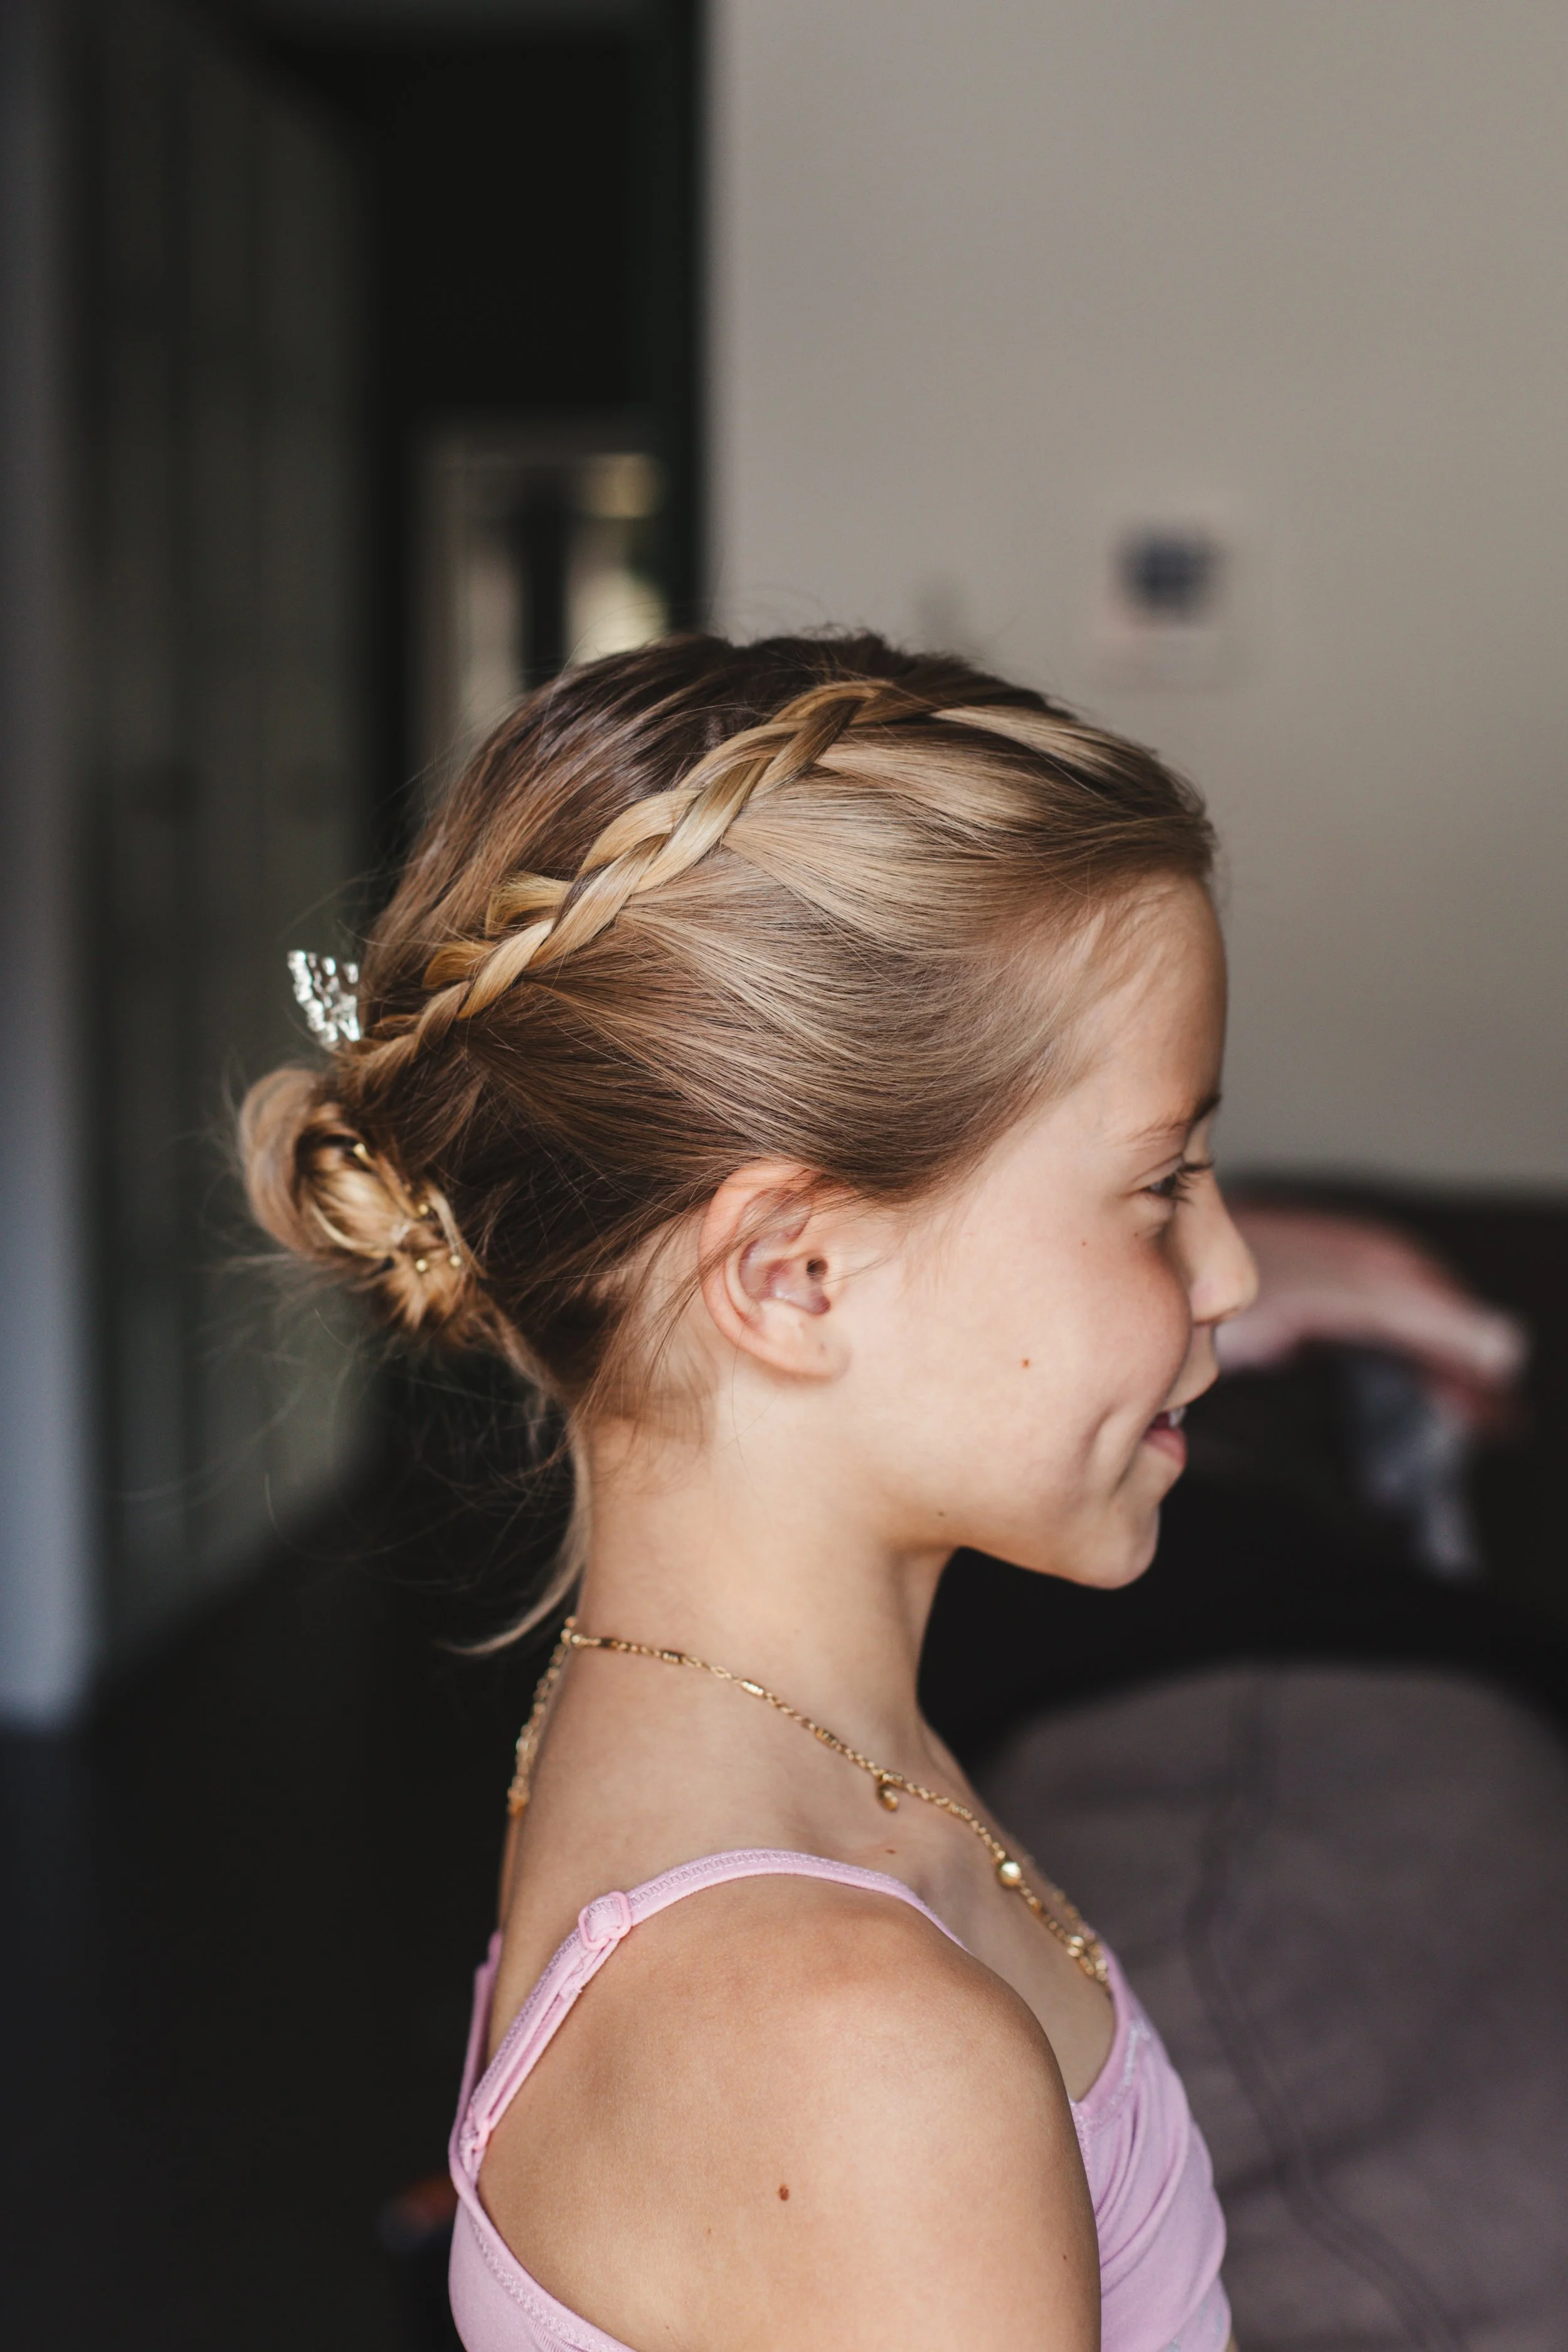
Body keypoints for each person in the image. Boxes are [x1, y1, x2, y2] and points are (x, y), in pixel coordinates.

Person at [241, 633, 1259, 2352]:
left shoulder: (694, 1722)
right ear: (791, 1274)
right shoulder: (852, 2054)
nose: (1228, 1269)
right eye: (1160, 1183)